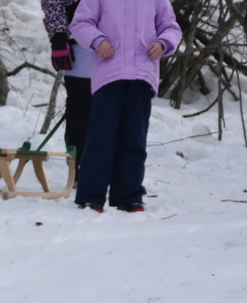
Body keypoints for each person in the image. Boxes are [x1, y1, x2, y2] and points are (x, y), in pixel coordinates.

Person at [70, 0, 181, 212]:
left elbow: (171, 28)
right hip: (109, 75)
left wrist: (163, 43)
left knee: (134, 139)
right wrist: (98, 41)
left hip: (142, 75)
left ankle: (129, 196)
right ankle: (90, 196)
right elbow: (80, 23)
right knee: (101, 137)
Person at [41, 0, 93, 167]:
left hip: (119, 49)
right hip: (80, 47)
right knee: (80, 109)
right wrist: (58, 37)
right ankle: (78, 166)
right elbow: (53, 2)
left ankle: (115, 172)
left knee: (114, 111)